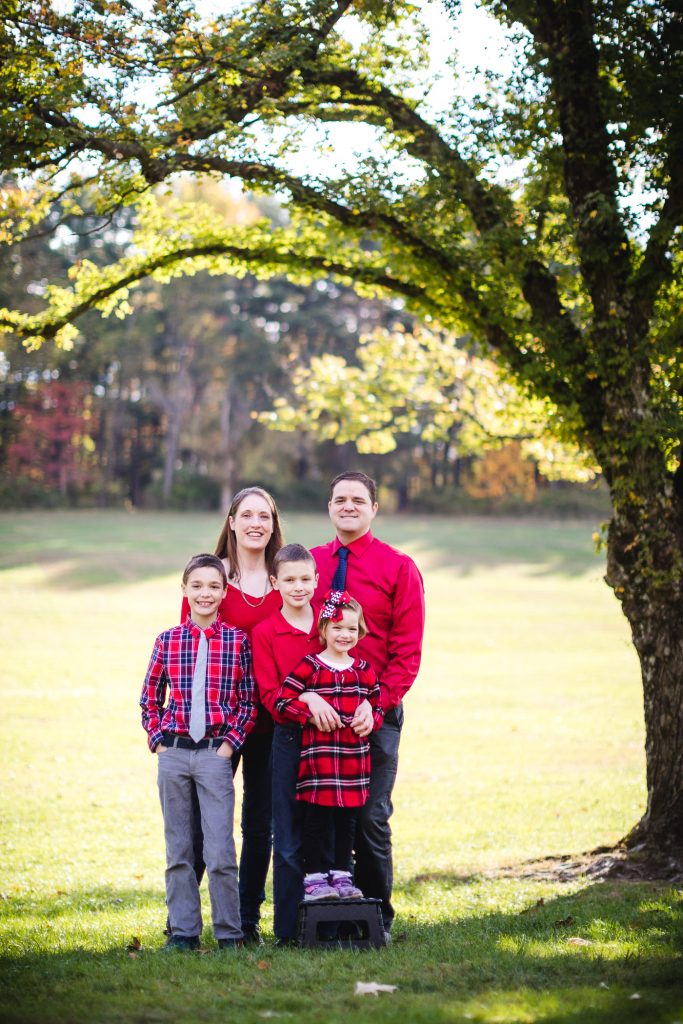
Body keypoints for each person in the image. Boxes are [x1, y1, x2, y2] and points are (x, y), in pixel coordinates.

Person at [310, 471, 425, 938]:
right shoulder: (311, 563)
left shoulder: (399, 567)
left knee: (370, 816)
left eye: (359, 500)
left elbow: (407, 652)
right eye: (340, 499)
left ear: (374, 508)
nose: (349, 506)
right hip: (321, 715)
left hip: (377, 715)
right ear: (330, 507)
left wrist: (376, 706)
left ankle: (377, 918)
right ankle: (326, 914)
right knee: (323, 816)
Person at [179, 486, 284, 945]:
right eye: (247, 514)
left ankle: (245, 921)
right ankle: (183, 923)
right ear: (233, 521)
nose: (256, 522)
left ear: (273, 523)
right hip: (217, 727)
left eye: (265, 515)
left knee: (260, 824)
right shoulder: (211, 576)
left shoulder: (287, 579)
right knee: (203, 824)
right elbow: (187, 648)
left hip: (271, 722)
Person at [140, 553, 258, 950]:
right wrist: (157, 737)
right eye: (197, 586)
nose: (205, 593)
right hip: (173, 754)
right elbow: (150, 697)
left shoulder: (237, 641)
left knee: (220, 849)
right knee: (179, 848)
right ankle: (183, 932)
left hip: (214, 755)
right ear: (185, 590)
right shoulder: (167, 641)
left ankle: (230, 933)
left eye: (214, 586)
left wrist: (229, 746)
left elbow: (247, 702)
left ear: (225, 593)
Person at [275, 591, 383, 902]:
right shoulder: (310, 666)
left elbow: (376, 706)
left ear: (359, 631)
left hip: (352, 764)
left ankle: (342, 878)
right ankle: (315, 880)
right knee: (317, 823)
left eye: (351, 628)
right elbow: (284, 701)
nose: (344, 634)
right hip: (320, 764)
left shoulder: (363, 670)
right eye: (337, 627)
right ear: (323, 630)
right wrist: (308, 710)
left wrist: (371, 718)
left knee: (346, 824)